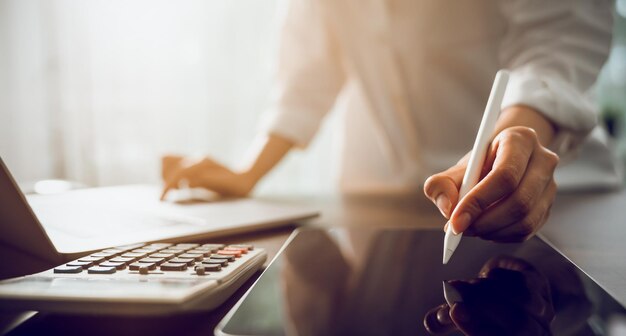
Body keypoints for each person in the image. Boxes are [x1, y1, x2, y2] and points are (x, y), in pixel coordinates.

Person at [161, 0, 613, 243]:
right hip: (382, 200)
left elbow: (557, 39)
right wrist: (248, 173)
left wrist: (518, 133)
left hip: (556, 194)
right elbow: (309, 74)